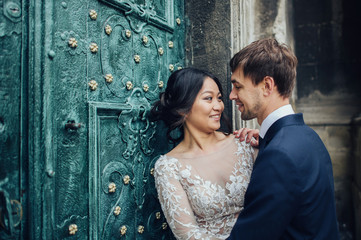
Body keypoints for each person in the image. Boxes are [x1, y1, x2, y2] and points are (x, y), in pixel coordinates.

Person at [227, 38, 339, 239]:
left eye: (238, 86)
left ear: (267, 85)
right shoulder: (308, 137)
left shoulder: (279, 155)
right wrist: (266, 140)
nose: (231, 95)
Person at [151, 68, 258, 239]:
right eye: (209, 98)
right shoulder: (168, 167)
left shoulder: (245, 144)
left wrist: (268, 142)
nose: (219, 106)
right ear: (182, 108)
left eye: (219, 98)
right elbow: (188, 234)